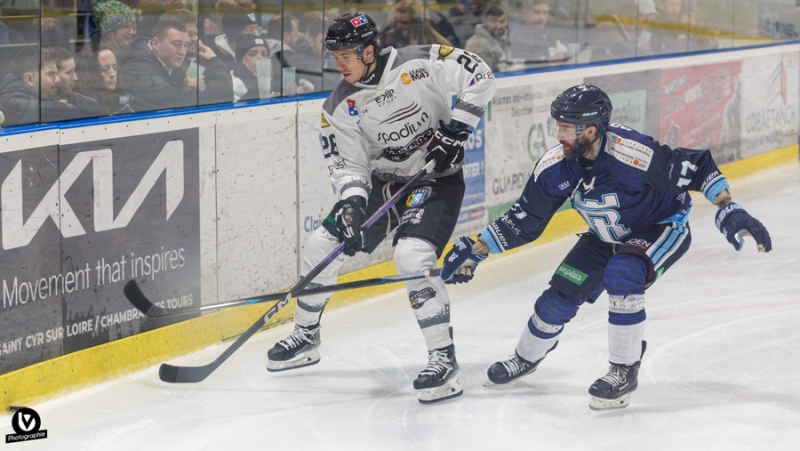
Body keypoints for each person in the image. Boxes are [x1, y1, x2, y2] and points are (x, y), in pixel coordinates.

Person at [439, 84, 772, 411]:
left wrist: (728, 206)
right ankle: (525, 357)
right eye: (558, 126)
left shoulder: (633, 154)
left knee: (623, 272)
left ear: (591, 130)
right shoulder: (556, 166)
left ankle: (623, 369)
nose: (559, 135)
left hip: (659, 226)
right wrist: (477, 249)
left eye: (567, 128)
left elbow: (696, 166)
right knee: (557, 300)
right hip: (605, 235)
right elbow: (526, 218)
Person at [266, 12, 496, 404]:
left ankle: (443, 358)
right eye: (334, 57)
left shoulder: (420, 62)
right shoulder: (338, 106)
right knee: (322, 243)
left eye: (345, 57)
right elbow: (348, 165)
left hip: (435, 180)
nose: (338, 65)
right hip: (382, 185)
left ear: (368, 51)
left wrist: (457, 129)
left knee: (411, 255)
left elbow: (481, 75)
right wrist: (353, 202)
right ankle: (306, 334)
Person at [118, 19, 199, 112]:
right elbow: (167, 99)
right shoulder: (136, 66)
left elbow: (211, 93)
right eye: (176, 44)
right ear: (155, 44)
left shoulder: (175, 60)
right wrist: (192, 90)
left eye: (186, 45)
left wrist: (213, 60)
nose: (182, 52)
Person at [159, 9, 233, 106]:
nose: (196, 39)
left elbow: (223, 94)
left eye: (196, 34)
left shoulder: (189, 64)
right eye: (189, 34)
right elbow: (225, 92)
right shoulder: (172, 66)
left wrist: (203, 65)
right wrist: (214, 60)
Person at [0, 46, 88, 125]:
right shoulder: (9, 102)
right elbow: (65, 112)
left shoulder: (39, 93)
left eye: (56, 74)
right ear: (30, 79)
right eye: (50, 74)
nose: (57, 79)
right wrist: (64, 106)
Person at [75, 45, 134, 115]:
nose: (113, 74)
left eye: (114, 68)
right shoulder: (85, 105)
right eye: (104, 69)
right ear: (90, 73)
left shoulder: (123, 97)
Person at [50, 46, 106, 118]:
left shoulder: (87, 103)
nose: (75, 78)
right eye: (69, 72)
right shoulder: (37, 107)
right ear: (54, 74)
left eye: (74, 71)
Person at [508, 0, 570, 66]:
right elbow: (521, 64)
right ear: (525, 13)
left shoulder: (549, 31)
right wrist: (548, 62)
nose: (541, 17)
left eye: (545, 13)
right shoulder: (518, 35)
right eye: (536, 12)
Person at [464, 6, 513, 73]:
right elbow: (484, 77)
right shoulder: (477, 45)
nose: (498, 25)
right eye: (493, 21)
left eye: (502, 21)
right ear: (484, 20)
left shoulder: (499, 40)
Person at [230, 33, 273, 101]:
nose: (260, 57)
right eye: (252, 54)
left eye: (264, 54)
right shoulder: (233, 82)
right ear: (241, 59)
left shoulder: (273, 80)